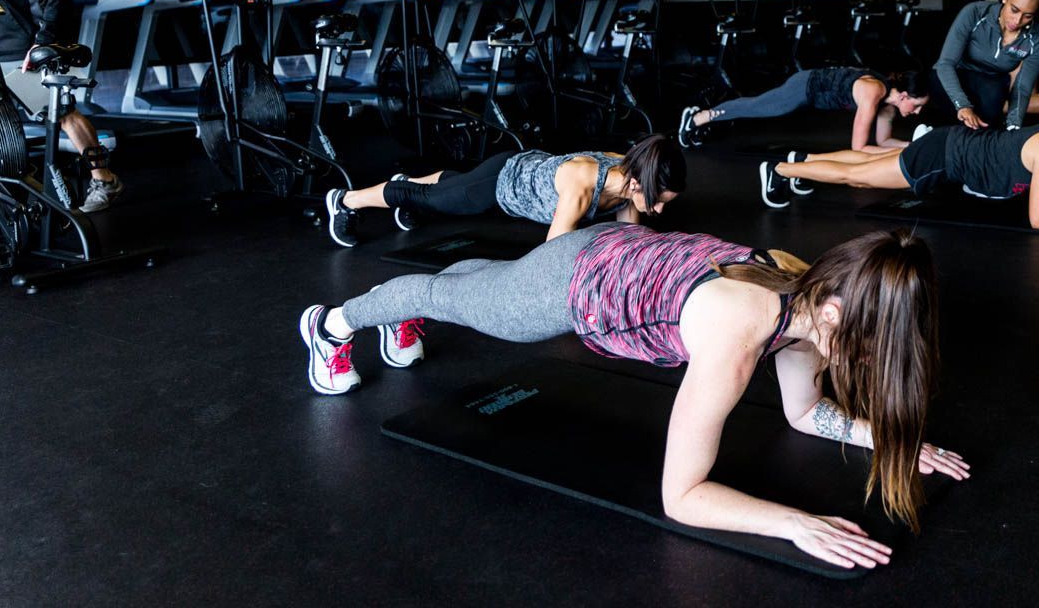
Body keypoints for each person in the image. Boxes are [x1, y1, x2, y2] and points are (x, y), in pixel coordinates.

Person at [298, 225, 970, 569]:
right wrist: (794, 524)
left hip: (624, 250)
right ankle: (329, 324)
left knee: (480, 290)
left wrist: (885, 438)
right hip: (575, 286)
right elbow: (682, 497)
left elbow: (801, 413)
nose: (868, 361)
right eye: (868, 347)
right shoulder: (743, 329)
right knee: (457, 300)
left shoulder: (810, 288)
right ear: (831, 315)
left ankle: (451, 294)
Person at [760, 122, 1039, 233]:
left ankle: (803, 160)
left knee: (867, 162)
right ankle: (781, 170)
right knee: (859, 178)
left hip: (950, 143)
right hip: (944, 155)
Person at [323, 134, 685, 248]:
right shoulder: (584, 182)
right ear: (638, 183)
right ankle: (346, 200)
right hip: (499, 185)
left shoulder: (630, 175)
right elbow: (554, 251)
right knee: (433, 200)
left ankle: (406, 184)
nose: (659, 210)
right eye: (657, 201)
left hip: (519, 167)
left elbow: (630, 237)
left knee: (451, 185)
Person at [0, 0, 122, 211]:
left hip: (22, 49)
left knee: (60, 114)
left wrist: (43, 42)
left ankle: (104, 179)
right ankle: (28, 190)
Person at [678, 68, 928, 152]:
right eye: (916, 106)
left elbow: (883, 142)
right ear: (904, 95)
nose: (916, 112)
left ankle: (701, 116)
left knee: (761, 107)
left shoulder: (888, 109)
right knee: (760, 108)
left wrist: (912, 146)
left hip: (810, 93)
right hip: (805, 87)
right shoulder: (874, 92)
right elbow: (858, 148)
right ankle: (699, 117)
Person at [929, 0, 1039, 131]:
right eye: (1014, 10)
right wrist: (963, 106)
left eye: (1028, 16)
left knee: (993, 99)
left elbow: (1022, 88)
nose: (1017, 21)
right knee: (937, 79)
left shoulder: (1038, 40)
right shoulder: (974, 13)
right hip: (957, 76)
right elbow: (945, 63)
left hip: (992, 85)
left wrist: (1014, 126)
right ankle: (940, 135)